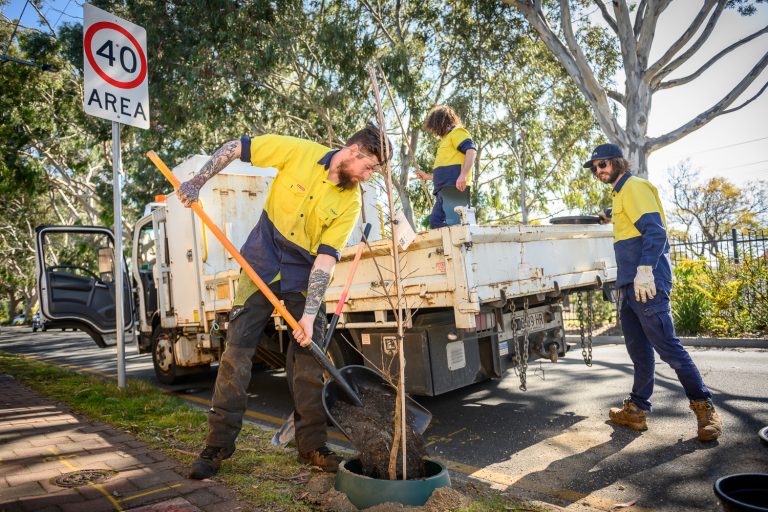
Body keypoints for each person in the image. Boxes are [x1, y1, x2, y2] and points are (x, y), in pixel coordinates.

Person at [177, 123, 392, 479]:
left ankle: (312, 447)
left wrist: (308, 318)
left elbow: (326, 259)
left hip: (303, 275)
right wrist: (198, 181)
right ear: (355, 151)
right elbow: (235, 146)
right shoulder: (298, 152)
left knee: (308, 363)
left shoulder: (351, 202)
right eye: (370, 167)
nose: (369, 176)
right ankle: (216, 448)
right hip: (260, 261)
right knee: (236, 356)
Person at [585, 143, 722, 442]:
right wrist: (608, 215)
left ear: (619, 162)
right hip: (629, 285)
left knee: (668, 347)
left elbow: (656, 231)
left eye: (603, 164)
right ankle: (636, 409)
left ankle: (705, 409)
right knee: (639, 350)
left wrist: (646, 269)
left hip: (647, 283)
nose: (599, 170)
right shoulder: (623, 194)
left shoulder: (634, 187)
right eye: (595, 167)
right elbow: (630, 222)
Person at [415, 105, 477, 228]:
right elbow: (445, 170)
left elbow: (471, 150)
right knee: (436, 222)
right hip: (444, 191)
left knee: (451, 225)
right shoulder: (446, 140)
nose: (435, 132)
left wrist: (463, 175)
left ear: (441, 122)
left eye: (435, 127)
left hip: (455, 189)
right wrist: (426, 176)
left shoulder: (457, 132)